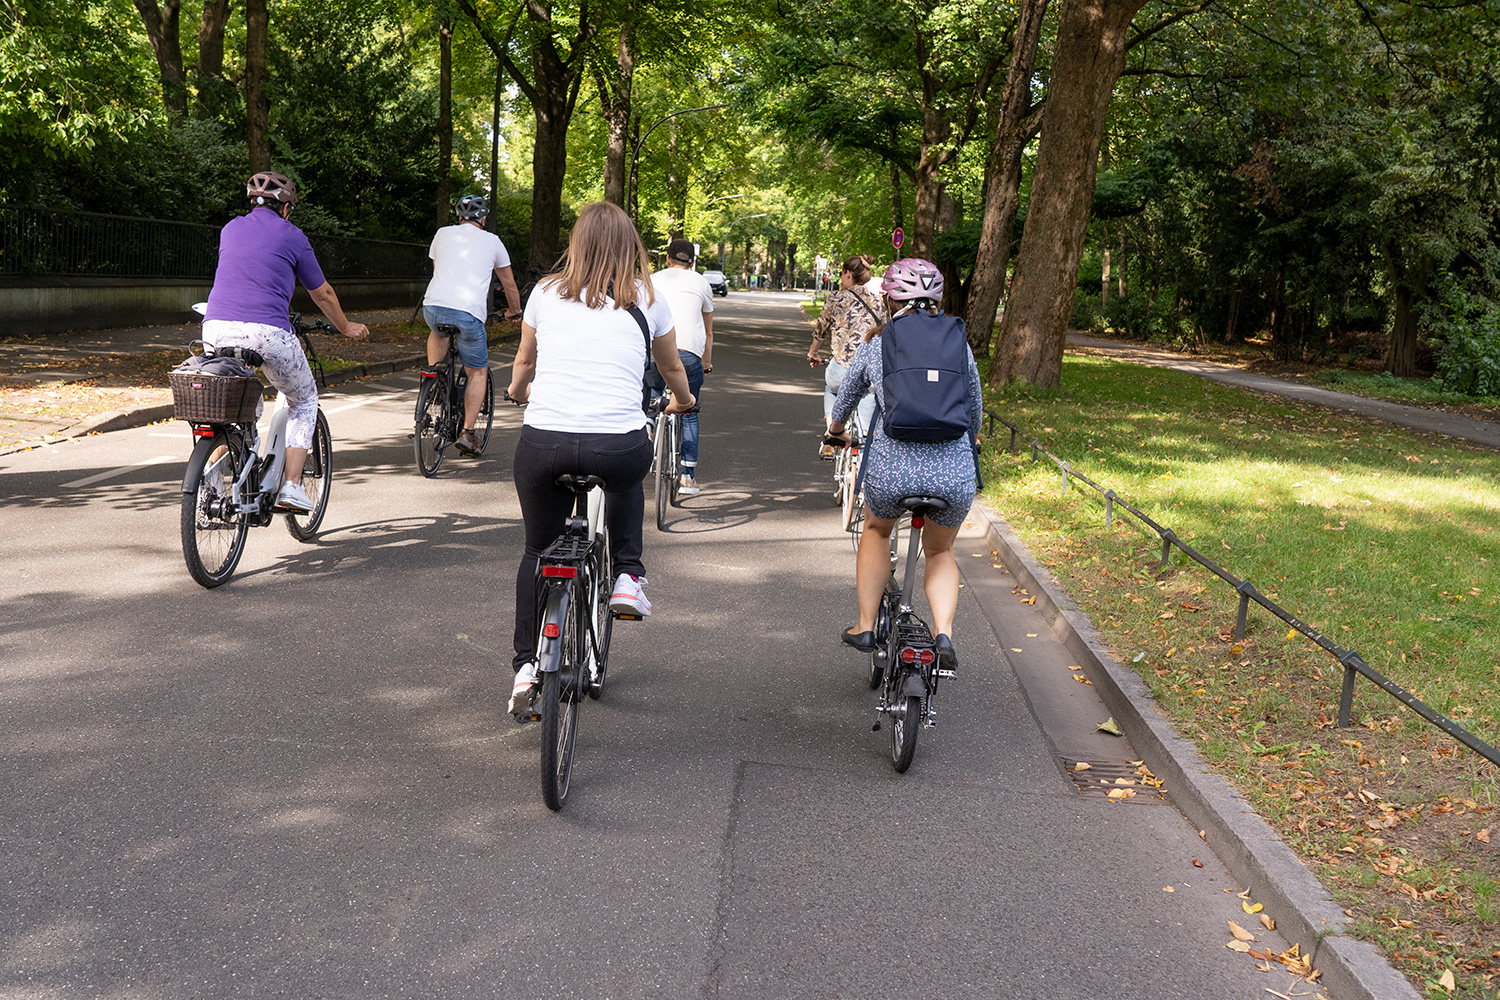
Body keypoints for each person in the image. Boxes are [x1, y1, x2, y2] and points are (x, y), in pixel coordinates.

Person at [505, 201, 696, 716]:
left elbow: (525, 360)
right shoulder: (649, 298)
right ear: (630, 246)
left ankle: (526, 666)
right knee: (626, 474)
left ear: (577, 243)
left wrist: (518, 390)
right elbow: (672, 366)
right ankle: (628, 576)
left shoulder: (545, 292)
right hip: (614, 442)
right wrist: (685, 400)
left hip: (543, 442)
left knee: (536, 551)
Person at [826, 258, 983, 672]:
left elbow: (845, 397)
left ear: (889, 299)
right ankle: (943, 633)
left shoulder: (879, 343)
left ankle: (864, 625)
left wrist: (836, 429)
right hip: (952, 473)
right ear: (936, 300)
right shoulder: (958, 344)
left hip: (892, 471)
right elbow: (974, 409)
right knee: (940, 551)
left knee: (877, 531)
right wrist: (973, 439)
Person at [201, 171, 369, 511]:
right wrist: (347, 326)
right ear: (286, 208)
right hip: (268, 333)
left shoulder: (230, 228)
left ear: (252, 202)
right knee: (304, 400)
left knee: (227, 410)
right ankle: (292, 486)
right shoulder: (292, 236)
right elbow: (322, 293)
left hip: (215, 328)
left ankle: (211, 490)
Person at [420, 193, 523, 455]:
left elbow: (438, 268)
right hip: (468, 312)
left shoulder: (442, 234)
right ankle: (467, 432)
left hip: (433, 306)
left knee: (437, 330)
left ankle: (434, 380)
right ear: (483, 219)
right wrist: (514, 311)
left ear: (459, 217)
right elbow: (509, 283)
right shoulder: (493, 242)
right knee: (477, 371)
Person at [649, 238, 714, 495]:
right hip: (688, 354)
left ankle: (648, 423)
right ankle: (687, 476)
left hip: (654, 350)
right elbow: (708, 331)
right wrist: (706, 362)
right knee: (688, 407)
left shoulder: (651, 280)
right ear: (693, 262)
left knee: (651, 391)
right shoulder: (702, 282)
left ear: (667, 259)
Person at [808, 255, 883, 451]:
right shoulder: (879, 302)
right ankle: (866, 449)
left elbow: (820, 330)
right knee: (868, 426)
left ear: (848, 274)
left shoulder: (836, 298)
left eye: (842, 273)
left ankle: (832, 435)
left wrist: (813, 353)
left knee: (831, 390)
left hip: (841, 370)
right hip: (870, 374)